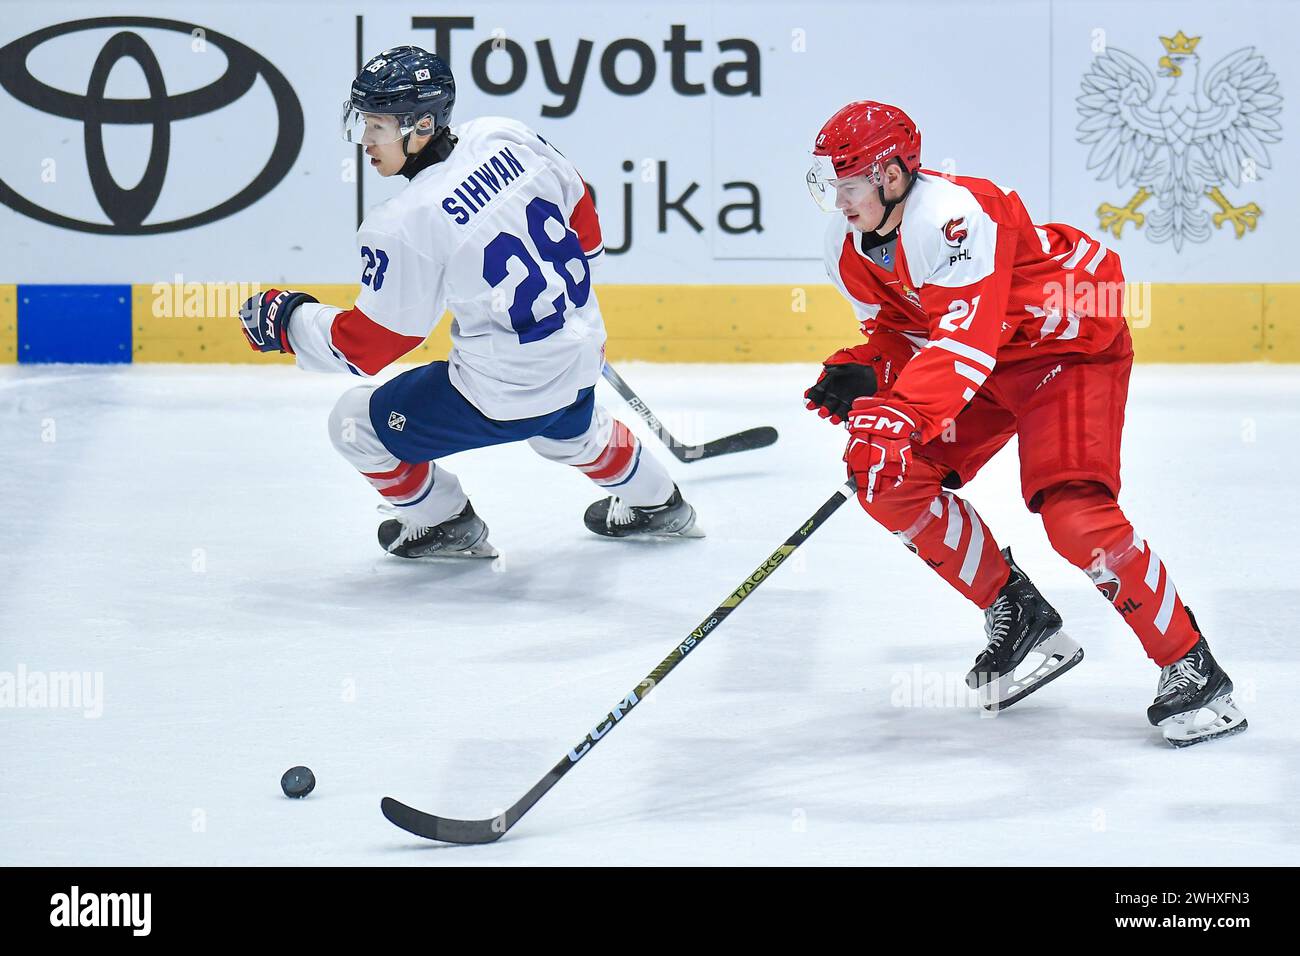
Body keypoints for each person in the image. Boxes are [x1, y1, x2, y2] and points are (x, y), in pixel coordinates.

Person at [804, 101, 1245, 746]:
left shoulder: (950, 217)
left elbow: (963, 339)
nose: (839, 201)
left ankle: (1193, 669)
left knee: (1074, 515)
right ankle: (1017, 611)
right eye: (832, 187)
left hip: (1066, 351)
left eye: (850, 185)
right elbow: (908, 334)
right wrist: (871, 372)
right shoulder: (849, 251)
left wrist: (898, 410)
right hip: (991, 361)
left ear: (893, 177)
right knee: (888, 479)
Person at [238, 46, 700, 559]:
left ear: (421, 125)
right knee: (568, 433)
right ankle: (660, 503)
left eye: (378, 126)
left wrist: (291, 320)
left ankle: (443, 522)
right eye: (363, 123)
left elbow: (369, 347)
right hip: (581, 353)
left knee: (354, 425)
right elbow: (586, 230)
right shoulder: (505, 134)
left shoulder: (405, 219)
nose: (366, 141)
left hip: (504, 392)